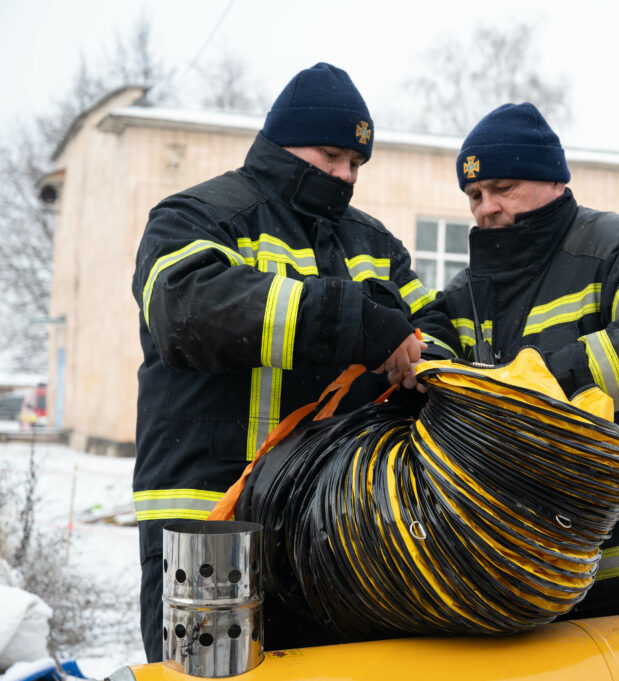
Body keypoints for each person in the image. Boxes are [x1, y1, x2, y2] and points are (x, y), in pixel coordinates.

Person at [130, 62, 446, 660]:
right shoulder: (197, 216)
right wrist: (350, 319)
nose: (344, 175)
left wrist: (424, 357)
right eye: (331, 156)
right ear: (281, 141)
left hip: (334, 529)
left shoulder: (374, 244)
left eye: (355, 164)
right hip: (212, 525)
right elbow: (186, 309)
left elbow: (434, 334)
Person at [434, 102, 619, 619]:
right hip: (516, 569)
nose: (486, 207)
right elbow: (432, 336)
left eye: (503, 188)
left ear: (552, 181)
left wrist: (549, 380)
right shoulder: (473, 288)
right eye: (474, 195)